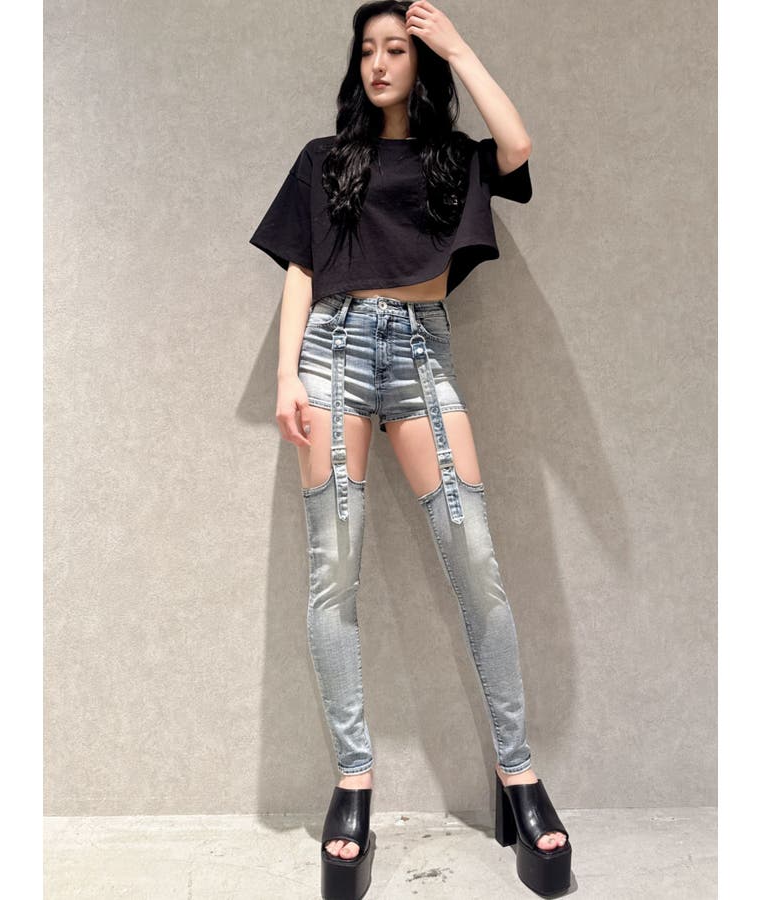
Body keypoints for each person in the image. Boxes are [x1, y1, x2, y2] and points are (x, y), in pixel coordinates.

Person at [250, 2, 571, 897]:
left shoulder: (453, 159)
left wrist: (455, 46)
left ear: (419, 63)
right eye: (369, 50)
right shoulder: (324, 158)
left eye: (396, 49)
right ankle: (353, 782)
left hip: (423, 356)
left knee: (477, 559)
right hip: (333, 355)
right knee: (334, 570)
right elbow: (302, 267)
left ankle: (518, 776)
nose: (381, 63)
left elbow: (517, 145)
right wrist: (286, 375)